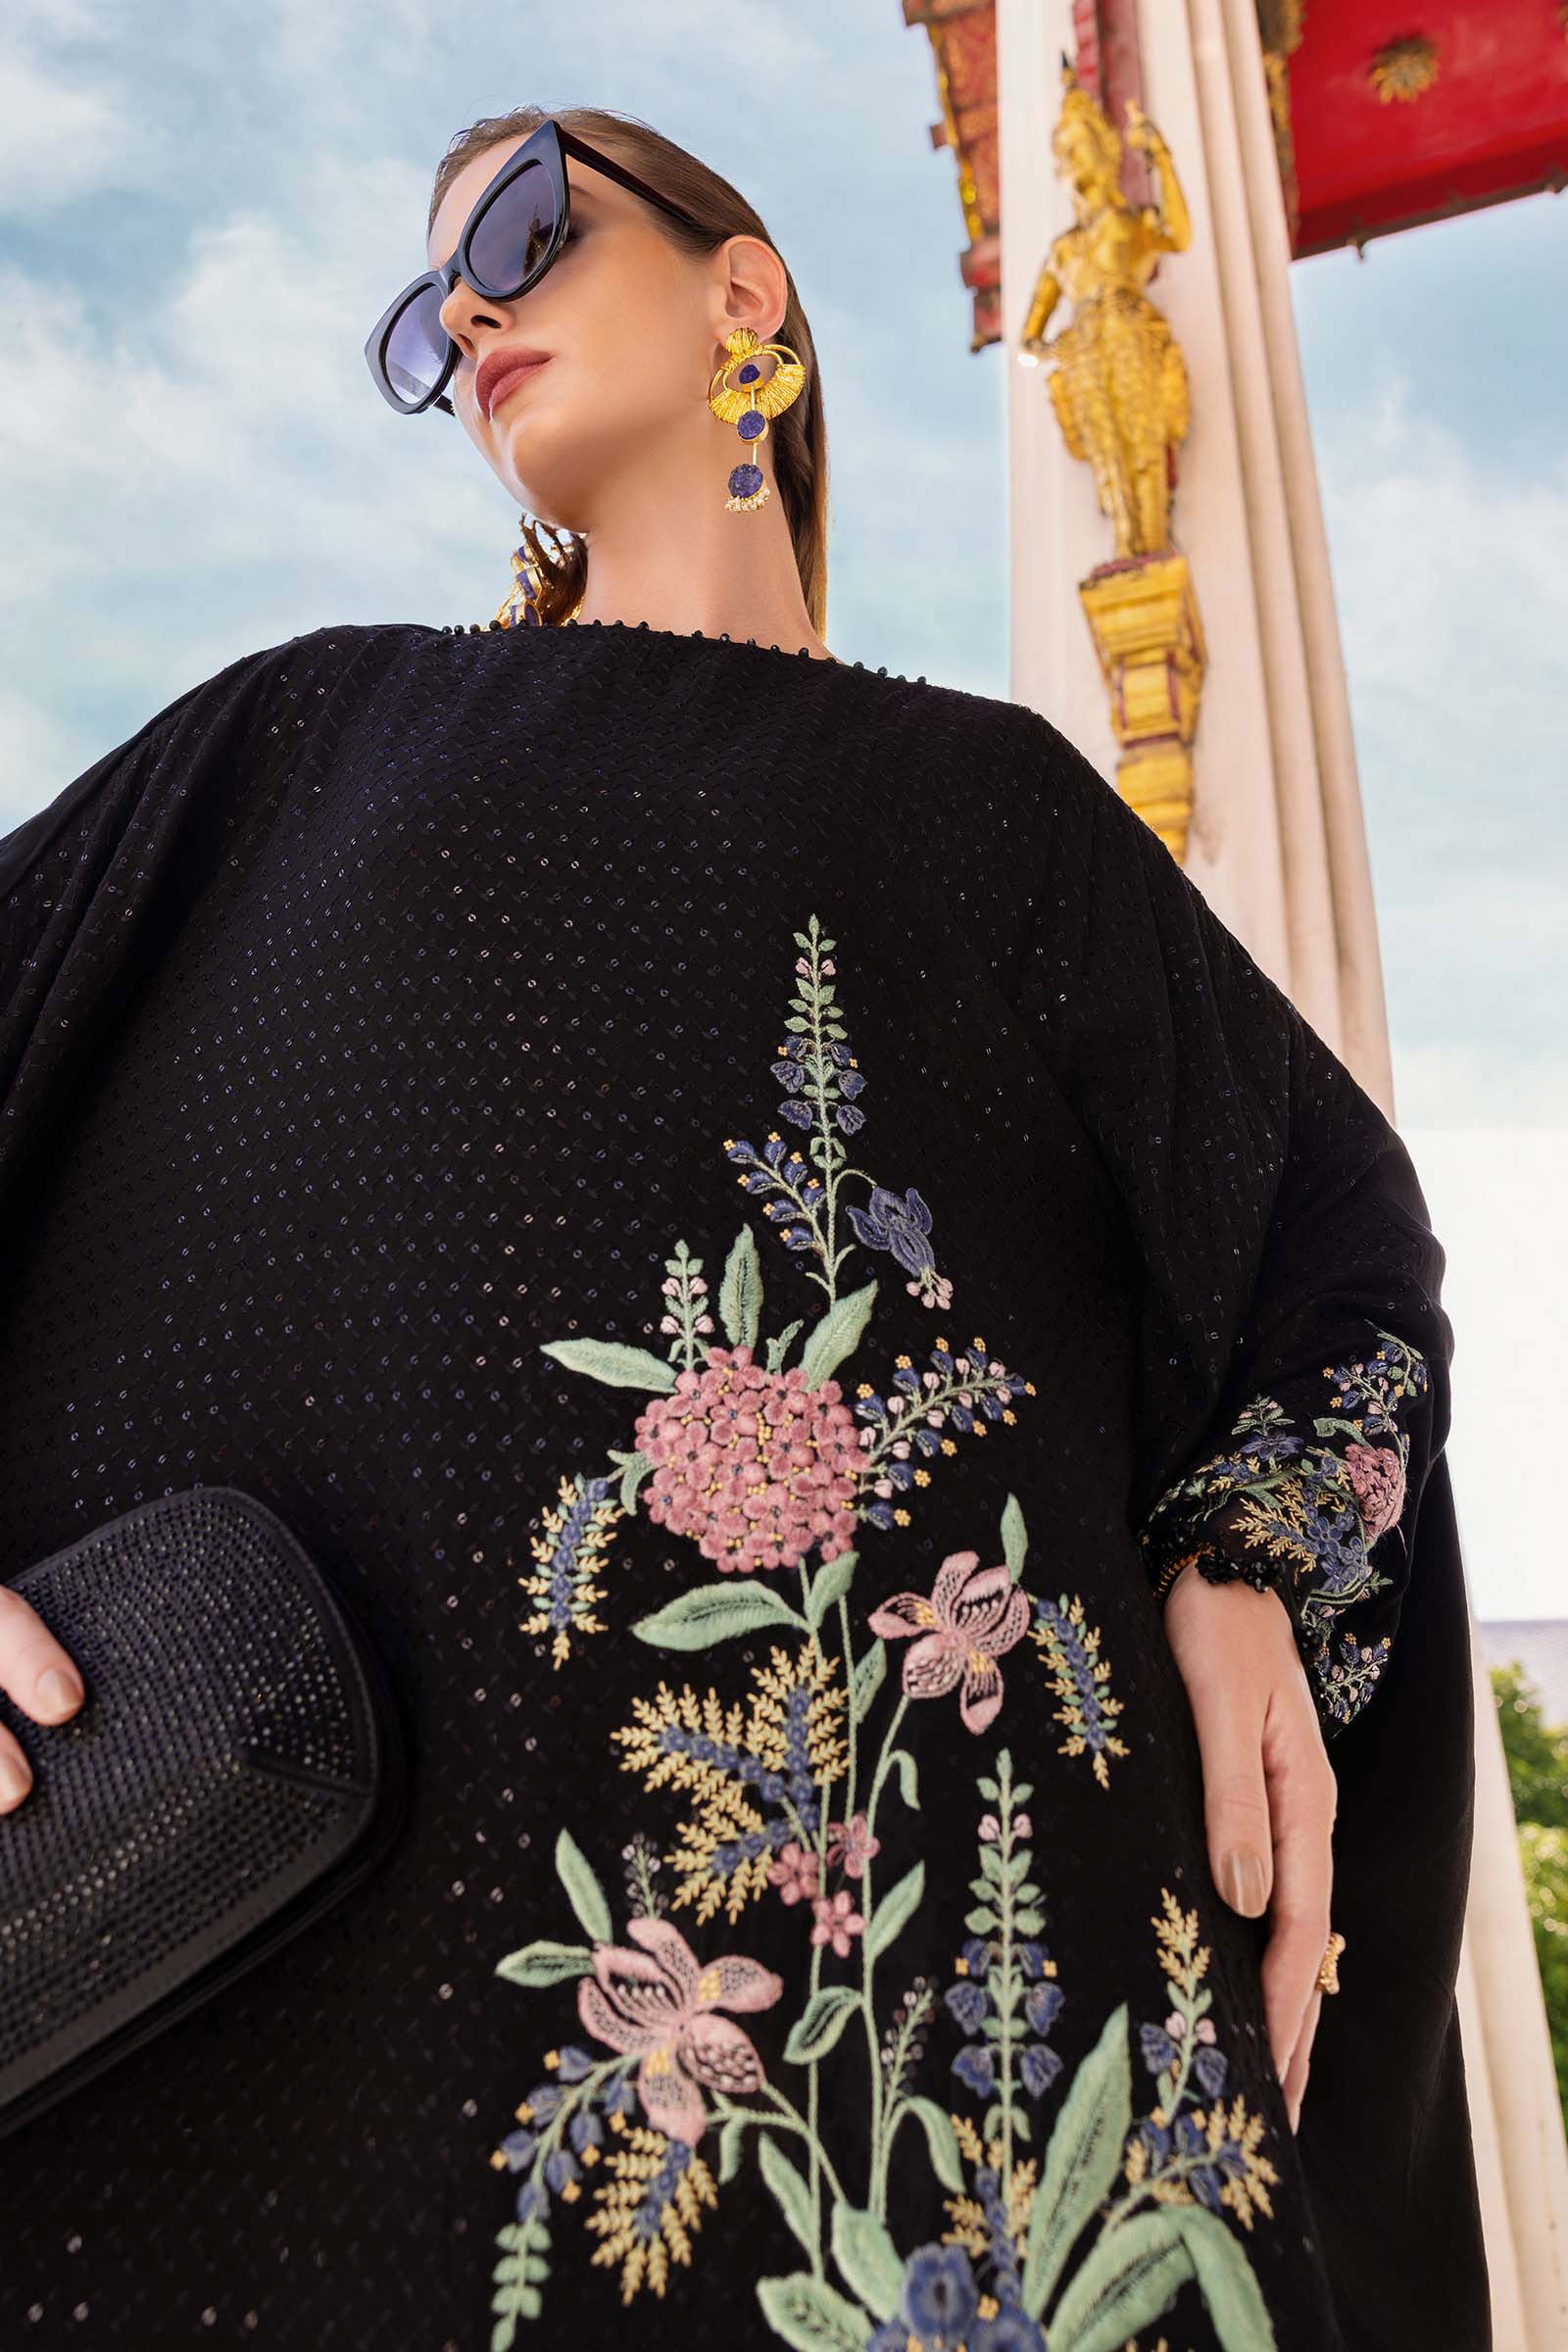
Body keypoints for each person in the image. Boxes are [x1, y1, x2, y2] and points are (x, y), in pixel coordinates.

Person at [0, 103, 1489, 2352]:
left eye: (522, 227)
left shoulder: (996, 810)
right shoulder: (294, 741)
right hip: (273, 2076)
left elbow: (1335, 1242)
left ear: (744, 289)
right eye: (420, 315)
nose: (466, 312)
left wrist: (1248, 1549)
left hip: (955, 2101)